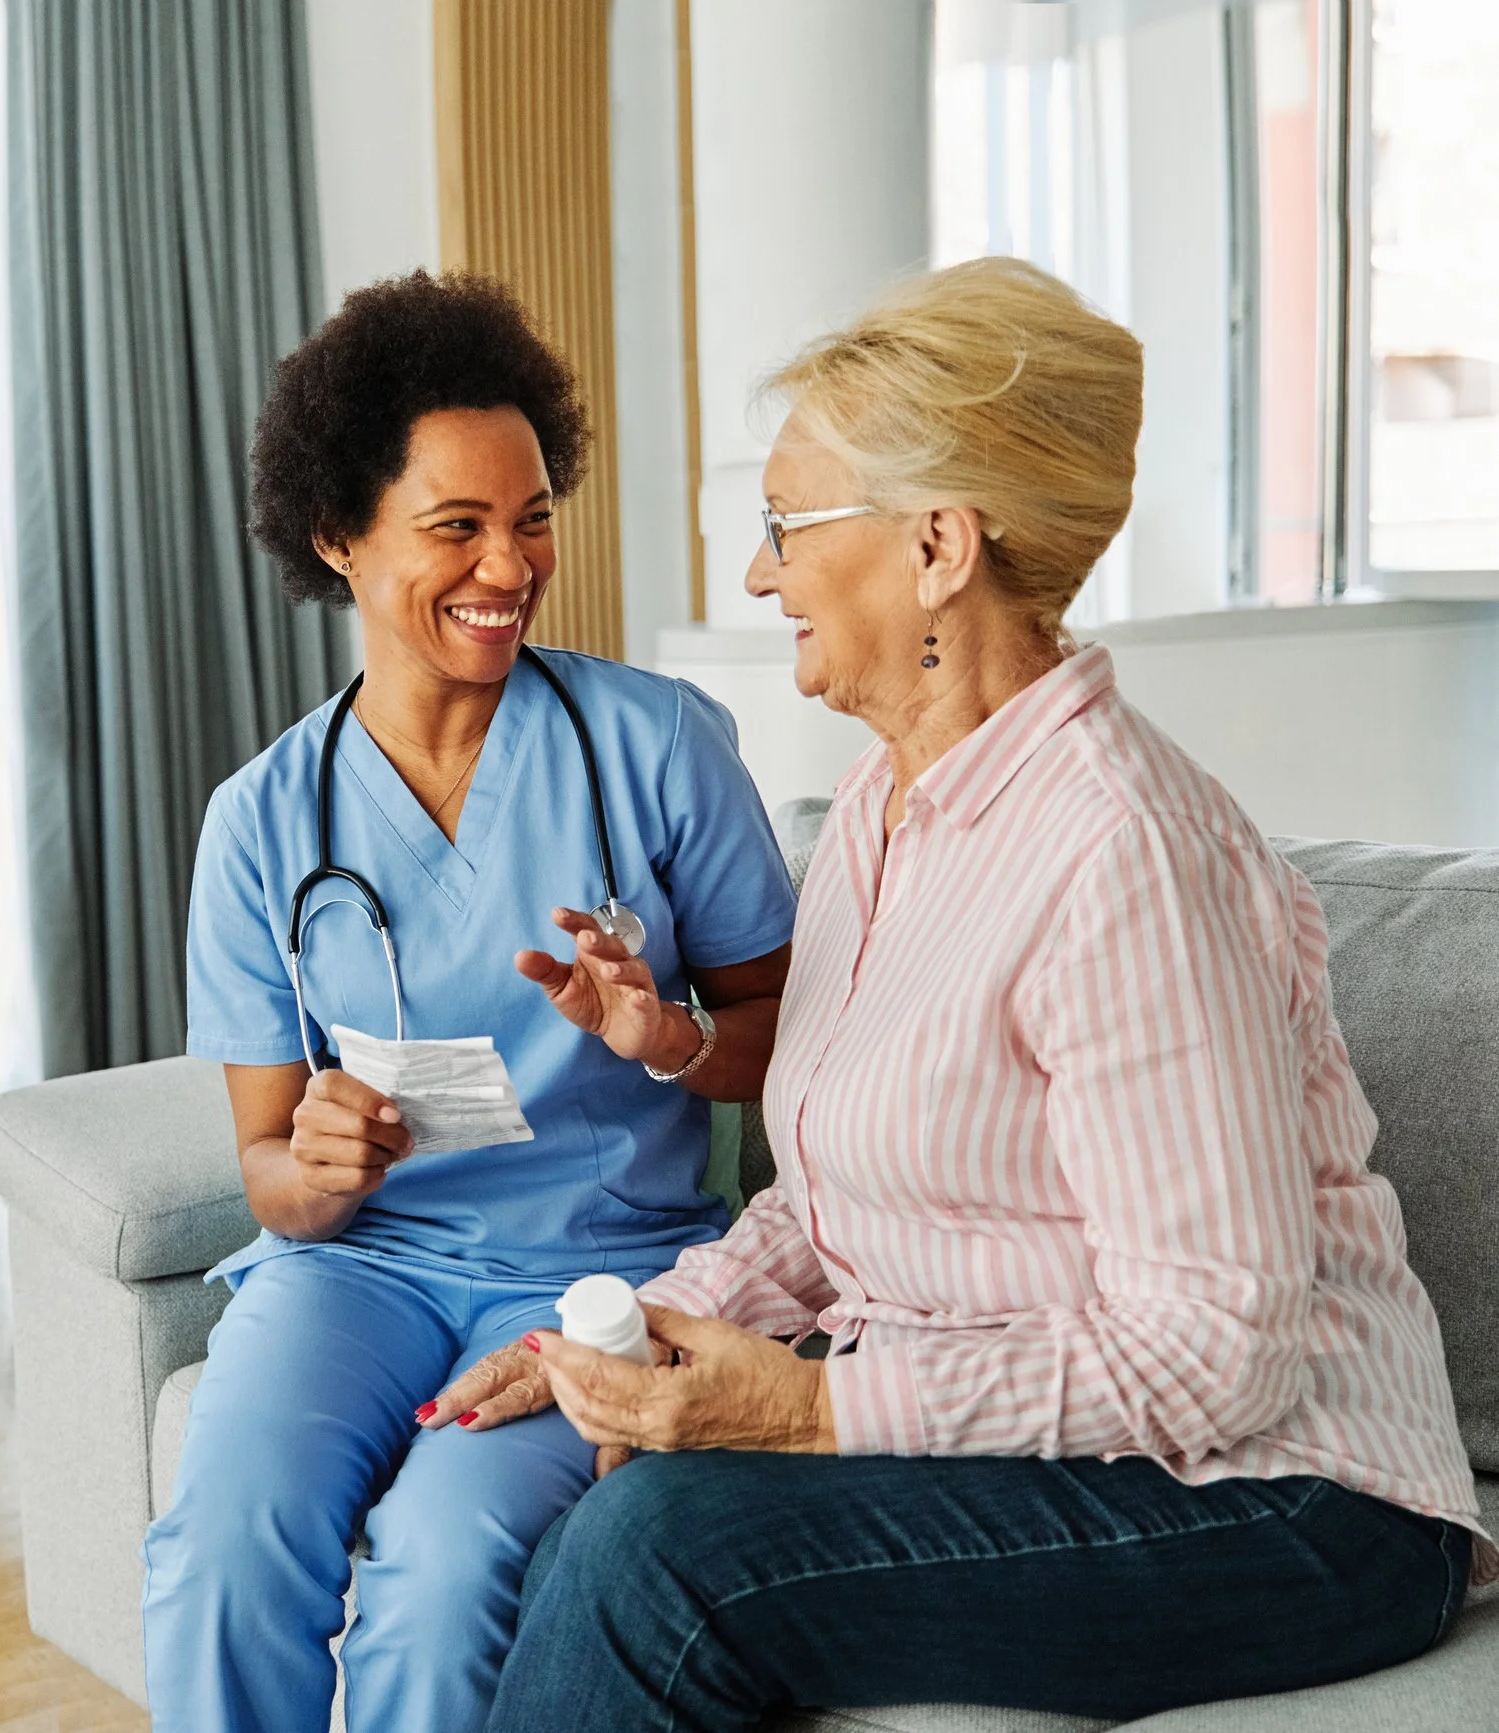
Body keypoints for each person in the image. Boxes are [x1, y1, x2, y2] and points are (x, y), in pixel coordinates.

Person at [471, 257, 1495, 1732]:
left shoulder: (1122, 852)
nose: (760, 576)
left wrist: (817, 1409)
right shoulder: (879, 821)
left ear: (939, 543)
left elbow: (1218, 1350)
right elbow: (844, 1203)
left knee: (659, 1560)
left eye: (783, 527)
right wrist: (635, 1325)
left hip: (1294, 1500)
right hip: (1090, 1451)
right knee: (589, 1516)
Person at [139, 270, 796, 1733]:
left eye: (535, 516)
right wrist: (310, 1173)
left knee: (445, 1568)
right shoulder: (260, 822)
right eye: (458, 526)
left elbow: (797, 1045)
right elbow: (268, 1173)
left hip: (592, 1263)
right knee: (226, 1539)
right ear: (338, 537)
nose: (511, 563)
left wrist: (672, 1040)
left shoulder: (661, 748)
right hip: (353, 1275)